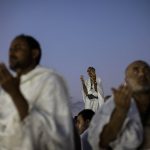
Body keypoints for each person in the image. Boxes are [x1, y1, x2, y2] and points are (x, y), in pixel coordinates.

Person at [0, 34, 75, 150]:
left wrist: (15, 94)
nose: (11, 53)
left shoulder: (50, 81)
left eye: (18, 48)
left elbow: (52, 135)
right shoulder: (7, 86)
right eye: (10, 49)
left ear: (34, 53)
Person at [88, 60, 150, 150]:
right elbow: (100, 142)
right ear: (126, 80)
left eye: (146, 71)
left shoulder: (97, 80)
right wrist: (120, 111)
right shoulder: (115, 102)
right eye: (136, 71)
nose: (142, 74)